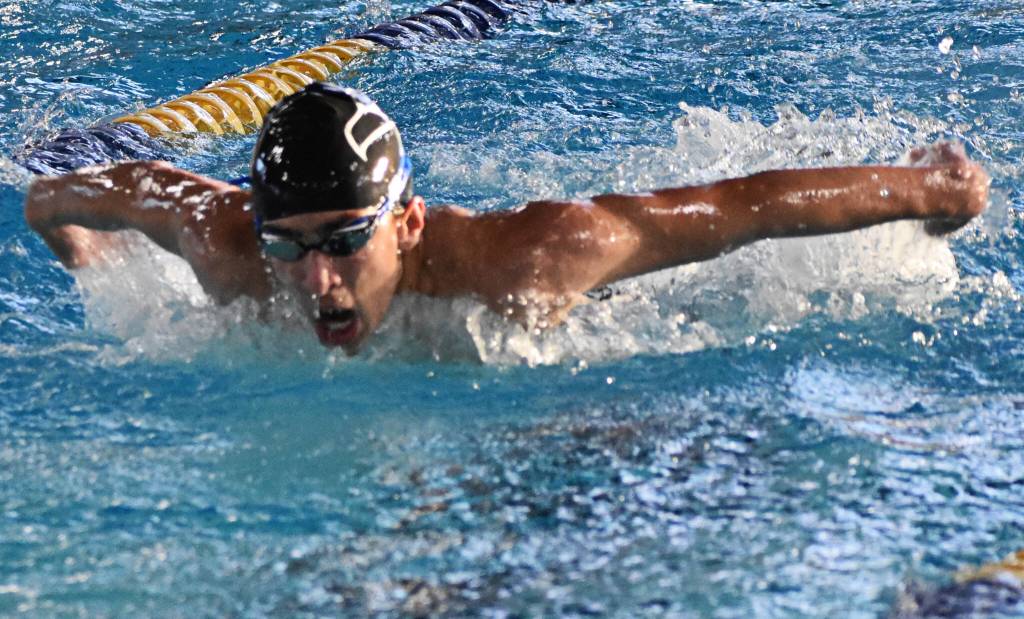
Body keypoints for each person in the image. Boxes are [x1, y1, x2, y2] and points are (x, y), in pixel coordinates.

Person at [24, 82, 990, 354]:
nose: (314, 277)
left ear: (406, 223)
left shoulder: (527, 258)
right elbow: (99, 188)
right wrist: (77, 245)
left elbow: (741, 208)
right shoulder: (229, 248)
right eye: (289, 244)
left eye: (343, 241)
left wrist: (929, 193)